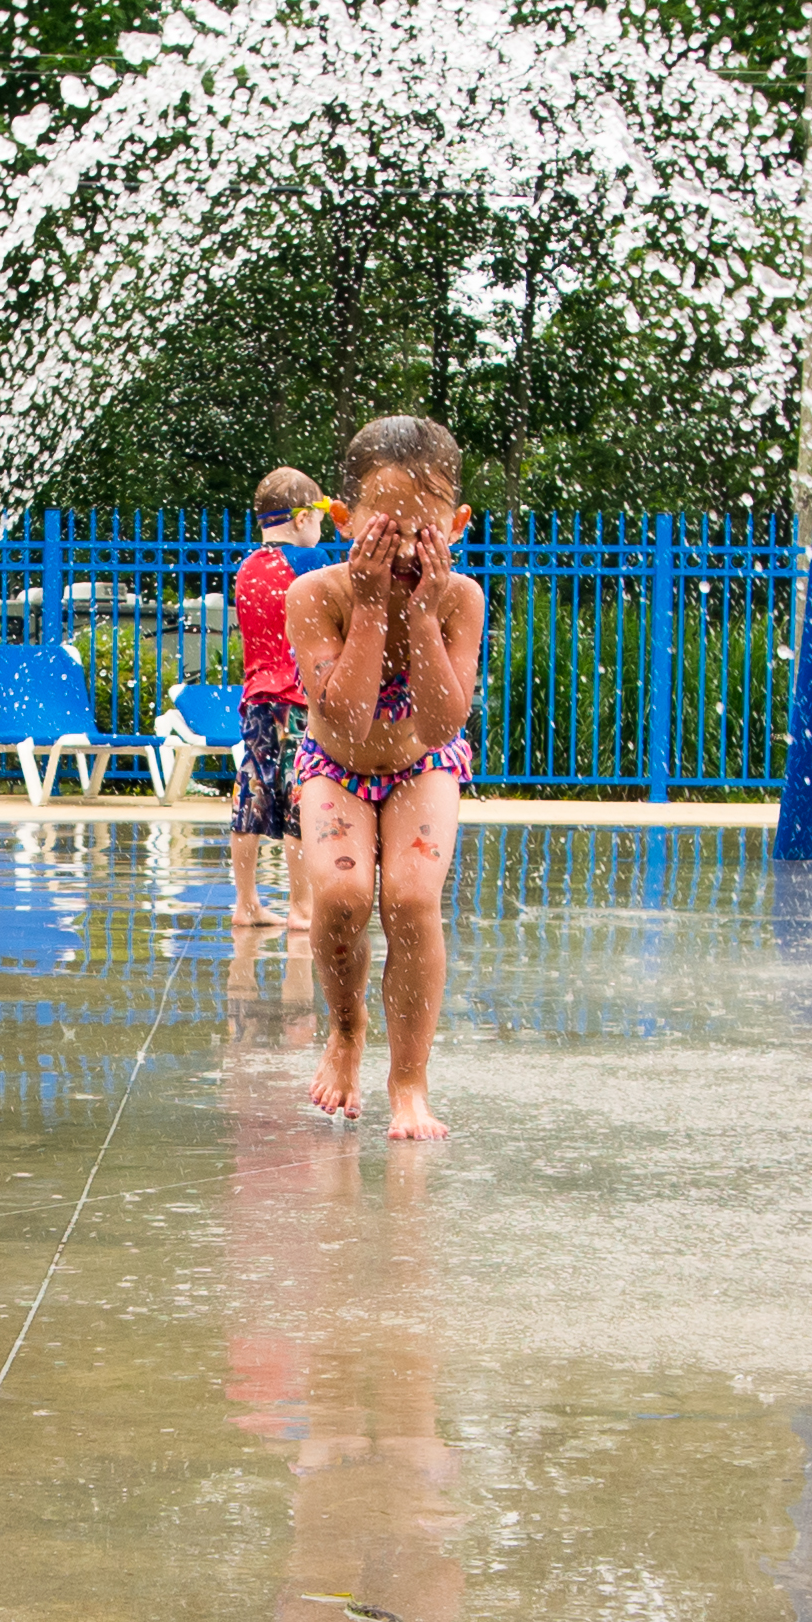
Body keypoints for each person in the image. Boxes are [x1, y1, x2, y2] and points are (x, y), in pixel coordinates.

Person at [288, 414, 486, 1141]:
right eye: (384, 526)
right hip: (335, 763)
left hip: (419, 764)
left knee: (410, 897)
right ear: (345, 522)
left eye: (424, 526)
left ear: (458, 524)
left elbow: (440, 725)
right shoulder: (318, 597)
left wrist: (423, 615)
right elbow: (344, 723)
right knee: (339, 896)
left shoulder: (459, 598)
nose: (404, 546)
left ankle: (409, 1080)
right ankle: (346, 1030)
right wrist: (372, 606)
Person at [223, 466, 324, 926]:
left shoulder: (247, 568)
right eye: (319, 519)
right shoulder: (309, 565)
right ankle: (302, 907)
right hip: (298, 700)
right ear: (301, 519)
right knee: (300, 793)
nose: (321, 530)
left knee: (253, 788)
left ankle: (246, 904)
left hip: (257, 699)